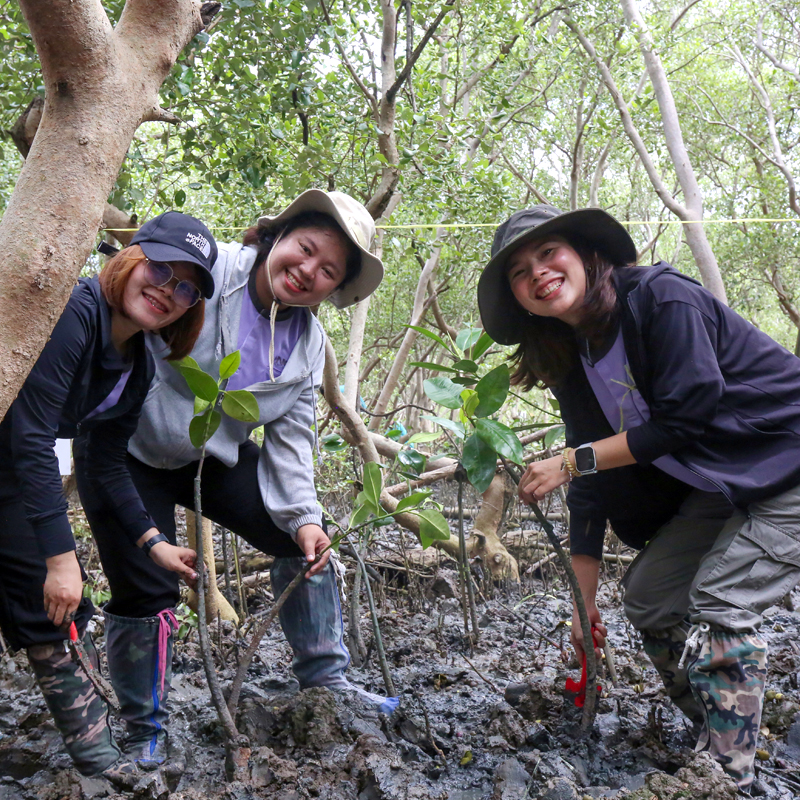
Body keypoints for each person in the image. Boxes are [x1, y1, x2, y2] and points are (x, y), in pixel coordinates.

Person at [477, 204, 800, 789]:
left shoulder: (660, 298)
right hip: (729, 484)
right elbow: (591, 487)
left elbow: (687, 416)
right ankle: (722, 728)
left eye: (549, 253)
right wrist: (583, 604)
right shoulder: (573, 357)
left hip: (788, 462)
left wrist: (571, 462)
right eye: (521, 272)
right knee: (650, 596)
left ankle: (725, 775)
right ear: (518, 299)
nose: (539, 273)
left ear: (584, 253)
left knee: (722, 598)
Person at [85, 189, 394, 770]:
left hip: (209, 457)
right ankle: (142, 725)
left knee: (302, 541)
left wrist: (305, 518)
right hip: (123, 450)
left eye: (328, 270)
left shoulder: (307, 348)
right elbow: (127, 301)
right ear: (274, 237)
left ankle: (327, 680)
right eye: (303, 250)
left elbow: (293, 443)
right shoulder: (209, 270)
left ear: (336, 288)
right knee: (147, 584)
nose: (307, 272)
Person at [0, 211, 217, 779]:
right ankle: (102, 764)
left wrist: (152, 544)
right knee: (56, 597)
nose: (168, 291)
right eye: (162, 269)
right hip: (10, 465)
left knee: (63, 614)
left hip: (11, 480)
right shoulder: (76, 311)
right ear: (132, 256)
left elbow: (104, 460)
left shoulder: (138, 364)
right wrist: (61, 558)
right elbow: (29, 434)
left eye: (186, 288)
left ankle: (101, 762)